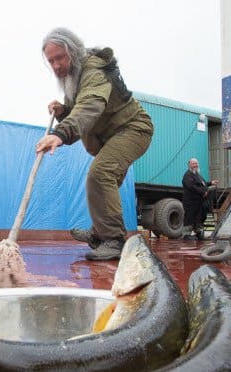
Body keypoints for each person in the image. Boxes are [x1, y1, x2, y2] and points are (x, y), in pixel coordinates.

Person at [35, 28, 154, 261]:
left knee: (99, 175)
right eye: (51, 61)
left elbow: (91, 106)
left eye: (60, 57)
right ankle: (101, 231)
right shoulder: (73, 77)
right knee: (102, 180)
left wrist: (60, 133)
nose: (56, 66)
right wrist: (64, 112)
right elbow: (82, 111)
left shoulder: (93, 70)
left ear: (74, 51)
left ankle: (114, 241)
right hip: (112, 134)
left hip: (132, 129)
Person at [181, 158, 218, 240]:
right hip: (191, 202)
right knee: (189, 218)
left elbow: (202, 184)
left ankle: (198, 233)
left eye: (197, 163)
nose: (195, 165)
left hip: (199, 202)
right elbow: (191, 186)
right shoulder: (187, 175)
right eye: (193, 164)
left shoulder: (198, 175)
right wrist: (203, 192)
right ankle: (186, 235)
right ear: (189, 165)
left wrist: (211, 183)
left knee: (199, 218)